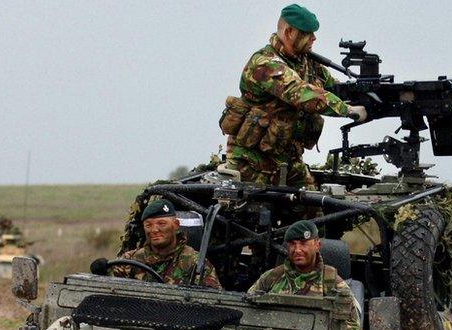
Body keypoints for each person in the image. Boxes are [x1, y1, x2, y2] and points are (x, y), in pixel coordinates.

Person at [219, 4, 367, 189]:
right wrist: (347, 110)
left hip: (288, 162)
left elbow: (334, 88)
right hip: (252, 164)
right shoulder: (264, 63)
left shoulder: (307, 63)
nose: (314, 38)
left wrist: (370, 94)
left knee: (314, 212)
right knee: (250, 216)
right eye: (307, 33)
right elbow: (301, 93)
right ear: (289, 32)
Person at [110, 199, 222, 289]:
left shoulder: (196, 263)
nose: (154, 230)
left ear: (176, 225)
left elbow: (213, 301)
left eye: (161, 224)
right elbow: (109, 290)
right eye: (148, 225)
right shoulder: (130, 260)